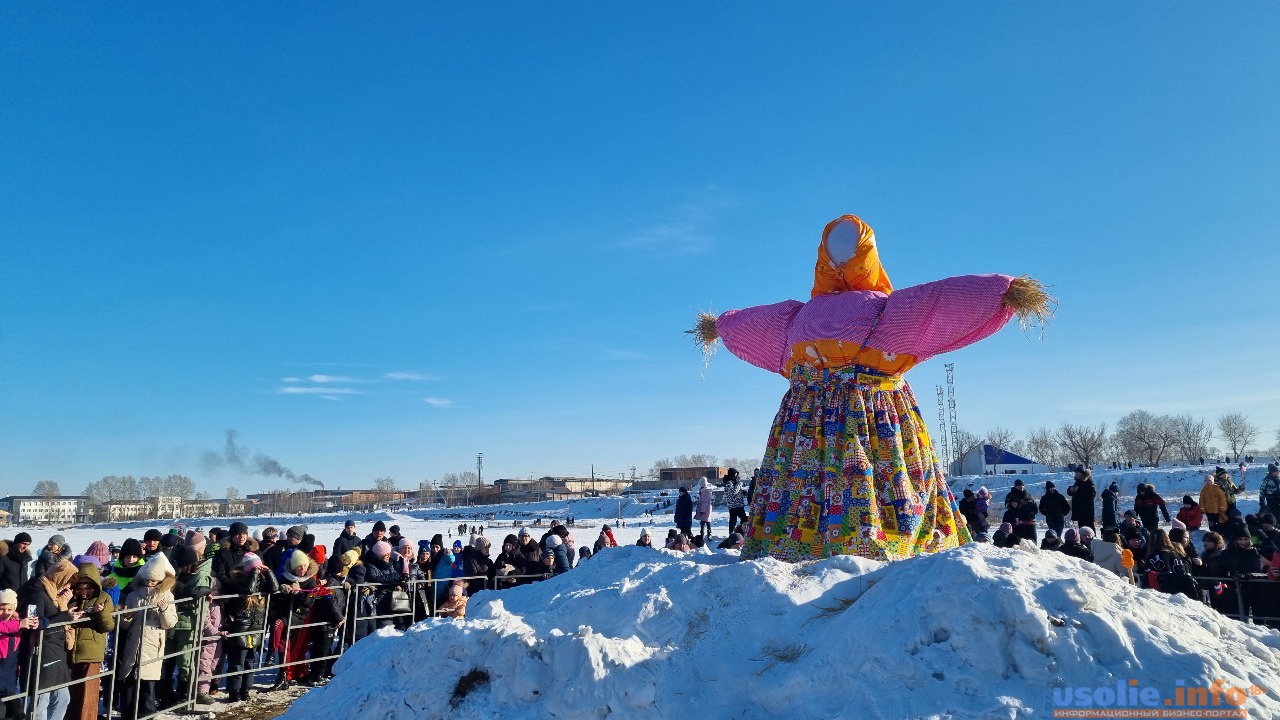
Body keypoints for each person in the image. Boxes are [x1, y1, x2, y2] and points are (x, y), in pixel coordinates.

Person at [700, 214, 1048, 562]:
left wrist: (718, 327)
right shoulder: (886, 312)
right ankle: (874, 544)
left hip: (806, 421)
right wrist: (1004, 291)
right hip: (871, 416)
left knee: (808, 481)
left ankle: (792, 543)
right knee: (875, 476)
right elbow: (939, 301)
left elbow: (752, 323)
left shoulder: (799, 318)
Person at [116, 553, 178, 720]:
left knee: (148, 684)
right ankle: (128, 715)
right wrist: (126, 618)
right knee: (129, 681)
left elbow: (170, 623)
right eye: (147, 579)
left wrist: (164, 610)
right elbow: (124, 626)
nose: (149, 583)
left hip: (152, 644)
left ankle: (147, 715)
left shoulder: (167, 596)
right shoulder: (133, 595)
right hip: (133, 643)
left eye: (153, 580)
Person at [19, 559, 80, 720]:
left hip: (56, 651)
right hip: (41, 652)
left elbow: (51, 613)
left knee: (62, 698)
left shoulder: (52, 593)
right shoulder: (37, 593)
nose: (68, 587)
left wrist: (63, 603)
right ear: (59, 577)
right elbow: (34, 622)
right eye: (67, 582)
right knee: (41, 701)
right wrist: (65, 616)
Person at [220, 553, 277, 703]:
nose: (258, 571)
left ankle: (245, 689)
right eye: (255, 568)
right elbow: (249, 589)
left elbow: (274, 588)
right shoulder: (238, 581)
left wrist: (268, 572)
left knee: (250, 662)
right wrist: (254, 572)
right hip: (240, 629)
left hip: (255, 628)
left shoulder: (261, 583)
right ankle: (234, 691)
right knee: (237, 662)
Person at [68, 563, 115, 720]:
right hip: (70, 652)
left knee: (87, 694)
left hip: (91, 652)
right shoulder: (71, 599)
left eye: (88, 587)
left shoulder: (103, 598)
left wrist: (100, 613)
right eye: (80, 587)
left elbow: (108, 626)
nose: (84, 591)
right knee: (72, 693)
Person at [721, 469, 748, 535]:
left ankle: (740, 532)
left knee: (737, 519)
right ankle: (734, 533)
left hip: (737, 504)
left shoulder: (732, 482)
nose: (737, 476)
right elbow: (733, 492)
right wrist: (739, 484)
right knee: (741, 519)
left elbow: (735, 492)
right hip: (735, 505)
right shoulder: (729, 483)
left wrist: (742, 492)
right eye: (736, 474)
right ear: (732, 474)